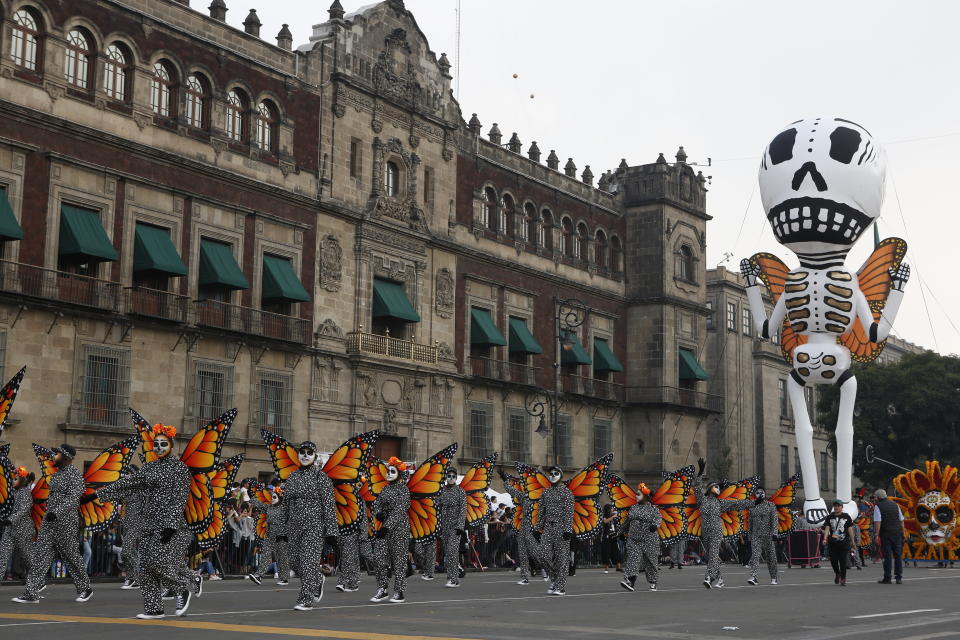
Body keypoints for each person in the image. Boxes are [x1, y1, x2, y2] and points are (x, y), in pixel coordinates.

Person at [92, 425, 202, 618]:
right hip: (147, 523)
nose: (159, 447)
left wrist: (170, 524)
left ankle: (181, 588)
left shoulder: (179, 468)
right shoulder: (150, 467)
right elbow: (128, 482)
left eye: (163, 444)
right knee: (144, 566)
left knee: (157, 562)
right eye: (156, 444)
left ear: (171, 445)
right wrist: (98, 494)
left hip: (169, 525)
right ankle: (154, 608)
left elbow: (179, 497)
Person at [13, 444, 92, 605]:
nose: (53, 456)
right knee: (40, 557)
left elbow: (73, 498)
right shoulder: (57, 475)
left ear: (66, 457)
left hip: (66, 523)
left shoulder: (75, 475)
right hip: (49, 523)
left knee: (71, 557)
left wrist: (57, 512)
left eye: (56, 454)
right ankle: (31, 592)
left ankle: (86, 588)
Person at [283, 441, 339, 611]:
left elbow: (329, 505)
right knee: (294, 562)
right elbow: (285, 505)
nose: (305, 455)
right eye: (302, 452)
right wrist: (282, 529)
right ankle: (317, 579)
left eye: (309, 452)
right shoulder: (292, 477)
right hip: (294, 527)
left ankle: (306, 599)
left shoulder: (321, 478)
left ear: (314, 456)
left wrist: (331, 531)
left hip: (314, 527)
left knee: (307, 562)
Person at [694, 457, 754, 589]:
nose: (718, 488)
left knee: (714, 554)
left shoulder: (721, 503)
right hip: (706, 532)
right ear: (710, 488)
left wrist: (754, 503)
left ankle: (708, 578)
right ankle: (720, 579)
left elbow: (738, 503)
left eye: (719, 487)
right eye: (716, 486)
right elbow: (697, 488)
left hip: (716, 531)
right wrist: (700, 472)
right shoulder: (702, 501)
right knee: (712, 557)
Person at [370, 457, 411, 604]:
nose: (388, 473)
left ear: (399, 474)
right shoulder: (385, 489)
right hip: (384, 529)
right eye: (387, 471)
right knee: (378, 557)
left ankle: (399, 591)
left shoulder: (404, 490)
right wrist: (379, 513)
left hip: (399, 529)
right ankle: (383, 588)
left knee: (399, 561)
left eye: (392, 471)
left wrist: (387, 526)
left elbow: (400, 509)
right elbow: (377, 505)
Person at [536, 465, 574, 596]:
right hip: (548, 527)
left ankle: (560, 586)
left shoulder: (567, 493)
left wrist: (568, 529)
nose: (552, 475)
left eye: (555, 473)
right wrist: (537, 528)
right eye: (550, 473)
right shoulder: (545, 492)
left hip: (562, 527)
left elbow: (569, 513)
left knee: (562, 558)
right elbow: (541, 511)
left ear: (561, 475)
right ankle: (554, 579)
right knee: (542, 554)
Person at [620, 482, 662, 592]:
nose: (636, 496)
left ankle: (653, 582)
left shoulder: (653, 509)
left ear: (645, 497)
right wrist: (621, 532)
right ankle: (630, 581)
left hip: (650, 540)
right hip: (634, 540)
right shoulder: (633, 508)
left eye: (638, 494)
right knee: (633, 560)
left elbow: (658, 519)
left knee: (651, 562)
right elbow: (627, 521)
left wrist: (655, 526)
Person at [500, 468, 537, 585]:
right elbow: (511, 490)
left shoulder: (541, 497)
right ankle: (525, 577)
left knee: (537, 553)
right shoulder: (524, 496)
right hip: (524, 527)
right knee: (523, 552)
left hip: (536, 528)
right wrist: (505, 480)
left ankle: (548, 571)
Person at [247, 487, 290, 586]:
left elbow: (291, 521)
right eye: (272, 497)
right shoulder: (270, 507)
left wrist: (286, 534)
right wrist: (251, 496)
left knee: (282, 557)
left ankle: (284, 579)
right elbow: (260, 504)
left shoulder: (285, 508)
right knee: (266, 554)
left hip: (281, 536)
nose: (272, 499)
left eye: (274, 497)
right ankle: (259, 575)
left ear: (280, 497)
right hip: (270, 534)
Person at [1, 468, 35, 579]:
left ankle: (36, 578)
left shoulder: (25, 493)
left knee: (27, 557)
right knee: (3, 554)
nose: (12, 481)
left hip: (23, 530)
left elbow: (23, 510)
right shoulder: (15, 492)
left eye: (15, 479)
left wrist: (11, 519)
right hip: (11, 529)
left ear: (22, 481)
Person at [435, 467, 467, 587]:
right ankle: (451, 577)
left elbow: (463, 509)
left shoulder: (460, 491)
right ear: (446, 477)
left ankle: (454, 579)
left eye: (454, 476)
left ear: (456, 478)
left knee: (452, 552)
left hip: (455, 527)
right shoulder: (442, 491)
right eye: (449, 476)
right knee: (448, 553)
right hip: (445, 526)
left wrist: (460, 526)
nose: (451, 478)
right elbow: (436, 505)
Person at [117, 464, 144, 589]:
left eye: (129, 473)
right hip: (127, 524)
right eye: (126, 473)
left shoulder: (141, 489)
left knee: (126, 551)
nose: (126, 475)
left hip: (136, 524)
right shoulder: (127, 489)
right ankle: (134, 579)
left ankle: (133, 577)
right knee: (131, 551)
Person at [746, 487, 779, 585]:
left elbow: (774, 520)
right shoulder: (752, 507)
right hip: (756, 535)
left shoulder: (770, 505)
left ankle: (774, 577)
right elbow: (750, 522)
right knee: (755, 556)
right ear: (755, 494)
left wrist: (775, 533)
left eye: (762, 492)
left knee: (771, 557)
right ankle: (754, 577)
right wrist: (749, 535)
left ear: (765, 494)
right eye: (757, 492)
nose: (760, 494)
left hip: (768, 535)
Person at [873, 488, 905, 584]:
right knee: (898, 555)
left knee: (887, 556)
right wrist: (903, 532)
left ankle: (887, 577)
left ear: (878, 497)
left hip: (886, 533)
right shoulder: (895, 505)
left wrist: (876, 535)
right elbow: (901, 520)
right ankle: (898, 577)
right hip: (897, 533)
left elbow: (878, 522)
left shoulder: (878, 506)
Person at [822, 499, 856, 586]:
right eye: (835, 506)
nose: (836, 507)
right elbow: (827, 528)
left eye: (838, 506)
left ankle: (843, 578)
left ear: (842, 507)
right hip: (833, 542)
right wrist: (825, 538)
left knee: (843, 561)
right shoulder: (830, 517)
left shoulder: (846, 516)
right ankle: (837, 573)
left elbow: (850, 529)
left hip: (844, 542)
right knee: (833, 560)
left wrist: (853, 541)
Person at [600, 503, 621, 574]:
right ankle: (606, 567)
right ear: (608, 509)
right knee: (606, 551)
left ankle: (618, 567)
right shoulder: (605, 516)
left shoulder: (614, 517)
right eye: (611, 508)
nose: (612, 509)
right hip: (607, 536)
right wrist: (613, 517)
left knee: (616, 551)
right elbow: (605, 521)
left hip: (614, 535)